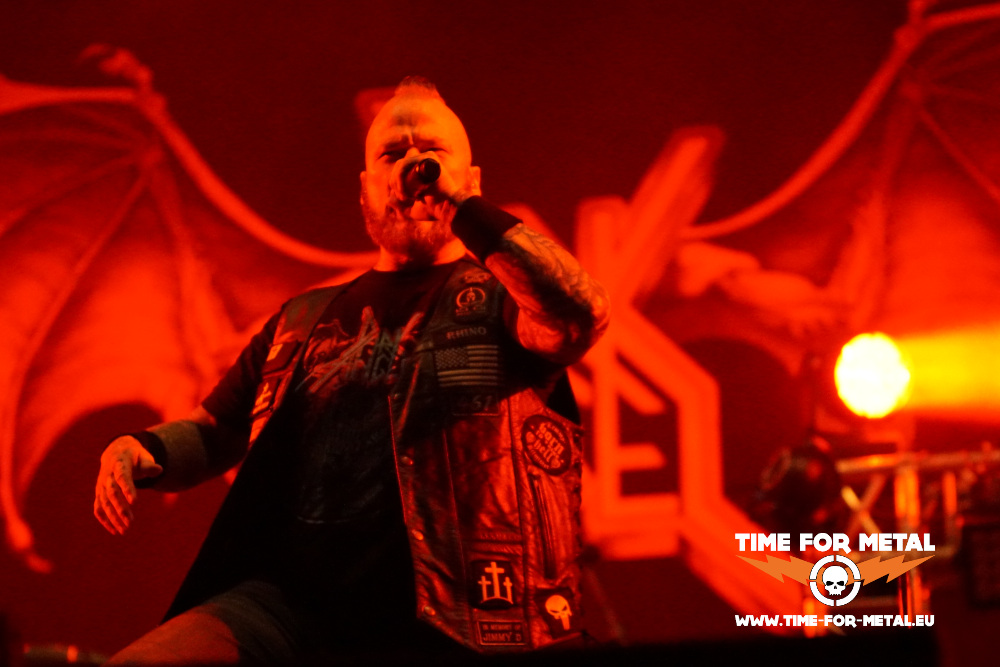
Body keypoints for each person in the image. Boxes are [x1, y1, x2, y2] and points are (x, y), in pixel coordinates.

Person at [94, 76, 610, 663]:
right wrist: (142, 448)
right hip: (287, 604)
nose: (413, 165)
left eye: (432, 153)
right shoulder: (302, 318)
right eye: (392, 154)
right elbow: (217, 430)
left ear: (472, 180)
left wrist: (459, 208)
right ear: (366, 187)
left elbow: (581, 312)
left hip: (454, 608)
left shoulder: (505, 301)